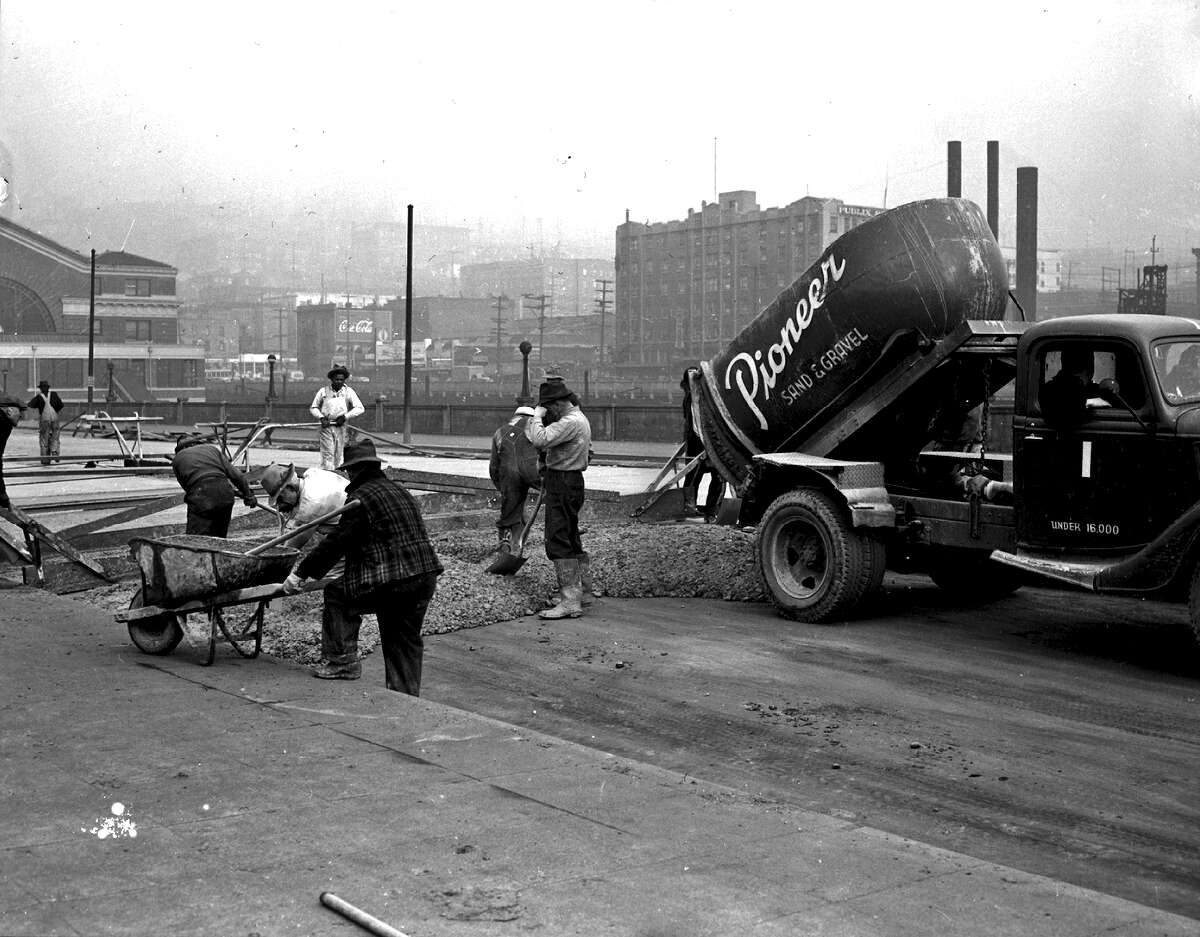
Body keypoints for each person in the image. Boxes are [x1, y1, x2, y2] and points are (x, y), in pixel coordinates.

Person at [281, 439, 443, 694]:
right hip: (425, 576)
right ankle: (406, 696)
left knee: (338, 594)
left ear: (355, 471)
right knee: (404, 638)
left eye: (349, 471)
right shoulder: (398, 490)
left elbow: (338, 542)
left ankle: (342, 662)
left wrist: (300, 574)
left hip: (396, 580)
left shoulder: (361, 498)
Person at [525, 378, 592, 619]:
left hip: (563, 482)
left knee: (558, 538)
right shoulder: (579, 419)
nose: (547, 411)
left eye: (547, 406)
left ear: (555, 404)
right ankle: (583, 592)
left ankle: (570, 601)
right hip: (570, 480)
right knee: (571, 536)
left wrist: (536, 416)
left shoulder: (569, 421)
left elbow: (539, 438)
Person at [171, 435, 258, 536]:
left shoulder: (177, 459)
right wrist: (249, 495)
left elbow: (188, 487)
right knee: (219, 538)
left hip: (200, 495)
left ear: (180, 449)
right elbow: (236, 475)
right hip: (225, 493)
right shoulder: (212, 449)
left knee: (195, 539)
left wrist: (209, 491)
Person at [259, 462, 349, 548]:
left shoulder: (311, 504)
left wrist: (280, 554)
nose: (280, 504)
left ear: (290, 487)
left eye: (280, 498)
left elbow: (296, 542)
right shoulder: (312, 473)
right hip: (349, 506)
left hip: (356, 523)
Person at [488, 405, 541, 552]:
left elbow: (494, 466)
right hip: (532, 471)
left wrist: (502, 488)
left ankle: (506, 543)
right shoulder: (535, 428)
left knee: (510, 511)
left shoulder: (499, 432)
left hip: (508, 474)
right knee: (554, 499)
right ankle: (519, 544)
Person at [679, 370, 725, 521]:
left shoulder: (702, 399)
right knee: (693, 478)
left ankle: (710, 511)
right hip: (697, 445)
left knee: (717, 478)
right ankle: (691, 509)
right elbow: (694, 424)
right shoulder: (689, 400)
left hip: (708, 444)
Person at [309, 366, 365, 471]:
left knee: (340, 454)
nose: (339, 382)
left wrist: (345, 416)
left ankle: (339, 475)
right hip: (327, 426)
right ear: (332, 379)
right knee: (328, 454)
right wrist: (321, 417)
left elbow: (360, 408)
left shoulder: (348, 391)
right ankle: (328, 475)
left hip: (341, 426)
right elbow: (314, 407)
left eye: (341, 379)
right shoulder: (323, 391)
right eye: (336, 379)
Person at [1039, 347, 1105, 427]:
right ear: (1090, 370)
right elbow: (1064, 417)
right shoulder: (1050, 390)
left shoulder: (1047, 388)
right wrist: (1088, 403)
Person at [28, 380, 64, 466]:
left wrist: (39, 404)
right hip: (55, 419)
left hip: (44, 420)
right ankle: (54, 451)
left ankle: (45, 459)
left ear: (40, 389)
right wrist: (55, 410)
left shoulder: (39, 397)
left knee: (44, 439)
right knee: (55, 436)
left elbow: (30, 404)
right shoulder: (54, 395)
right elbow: (61, 405)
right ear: (48, 388)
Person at [0, 394, 25, 510]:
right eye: (20, 411)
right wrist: (2, 493)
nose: (22, 416)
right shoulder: (3, 424)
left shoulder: (4, 421)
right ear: (9, 411)